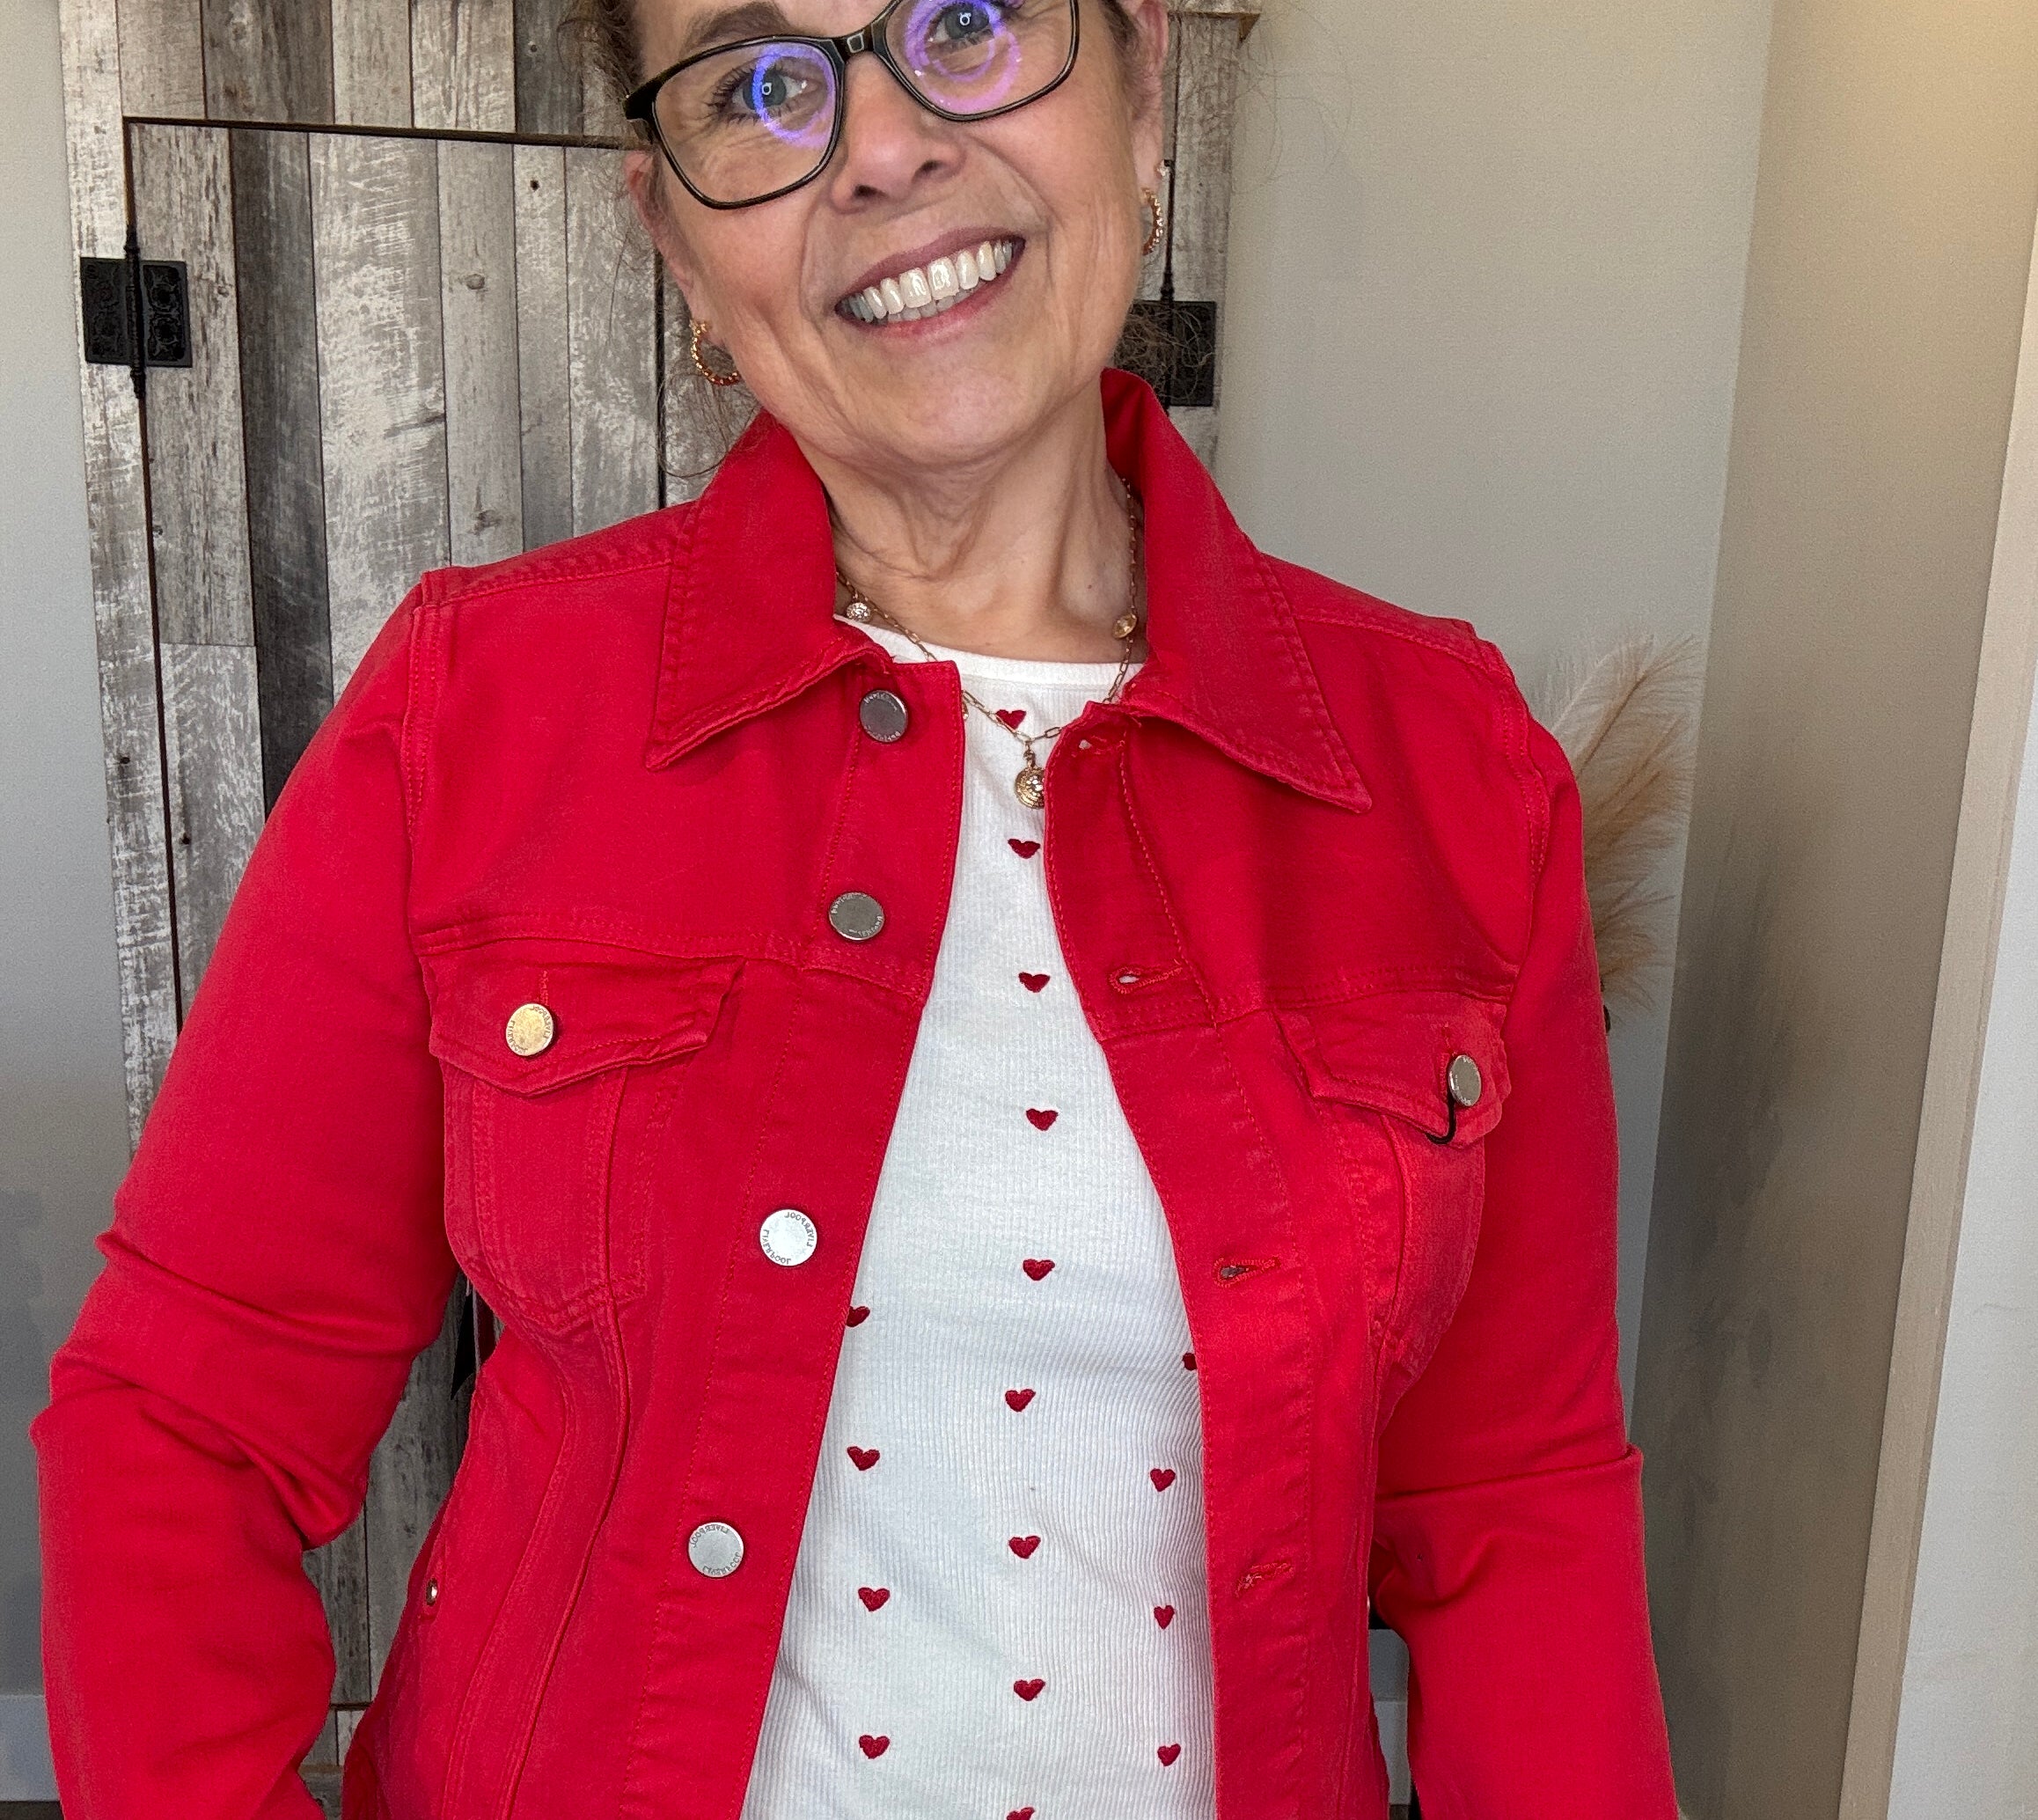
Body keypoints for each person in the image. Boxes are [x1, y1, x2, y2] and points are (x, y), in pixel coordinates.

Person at [33, 0, 1680, 1813]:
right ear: (678, 236)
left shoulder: (1453, 774)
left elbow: (1514, 1507)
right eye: (760, 85)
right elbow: (180, 1423)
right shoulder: (471, 715)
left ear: (1143, 92)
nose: (883, 147)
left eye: (969, 23)